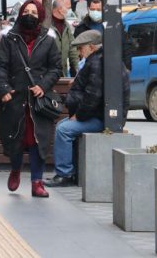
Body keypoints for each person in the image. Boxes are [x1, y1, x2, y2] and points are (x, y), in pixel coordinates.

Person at [0, 0, 62, 198]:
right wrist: (4, 88)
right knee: (16, 138)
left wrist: (43, 85)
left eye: (34, 12)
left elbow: (56, 67)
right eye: (27, 11)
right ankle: (15, 170)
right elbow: (0, 65)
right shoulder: (9, 38)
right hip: (15, 98)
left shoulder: (48, 40)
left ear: (40, 16)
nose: (30, 15)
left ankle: (37, 182)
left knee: (37, 141)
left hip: (38, 101)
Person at [45, 30, 130, 187]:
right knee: (63, 125)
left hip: (100, 118)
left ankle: (64, 174)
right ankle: (69, 171)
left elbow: (93, 95)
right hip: (101, 115)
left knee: (63, 130)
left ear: (91, 47)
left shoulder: (97, 62)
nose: (78, 52)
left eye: (81, 48)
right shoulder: (101, 59)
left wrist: (79, 116)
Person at [51, 0, 79, 77]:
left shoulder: (66, 26)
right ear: (59, 9)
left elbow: (72, 48)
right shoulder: (46, 25)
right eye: (68, 7)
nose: (70, 10)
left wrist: (77, 68)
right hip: (48, 74)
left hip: (62, 73)